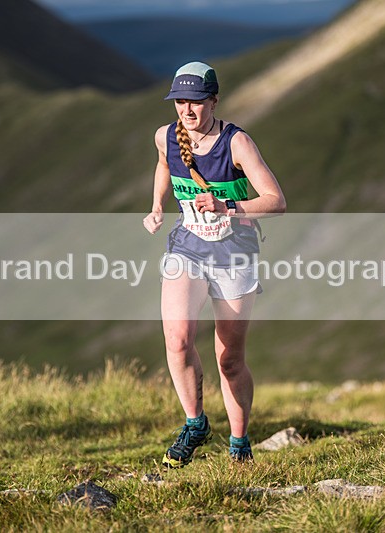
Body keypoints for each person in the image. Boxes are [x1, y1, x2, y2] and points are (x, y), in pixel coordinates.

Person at [142, 61, 286, 467]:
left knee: (229, 359)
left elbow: (276, 201)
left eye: (197, 102)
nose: (187, 110)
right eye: (180, 102)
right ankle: (195, 424)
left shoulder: (237, 142)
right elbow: (163, 165)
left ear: (214, 100)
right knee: (178, 340)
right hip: (187, 247)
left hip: (234, 252)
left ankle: (239, 445)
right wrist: (156, 207)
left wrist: (228, 205)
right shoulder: (165, 136)